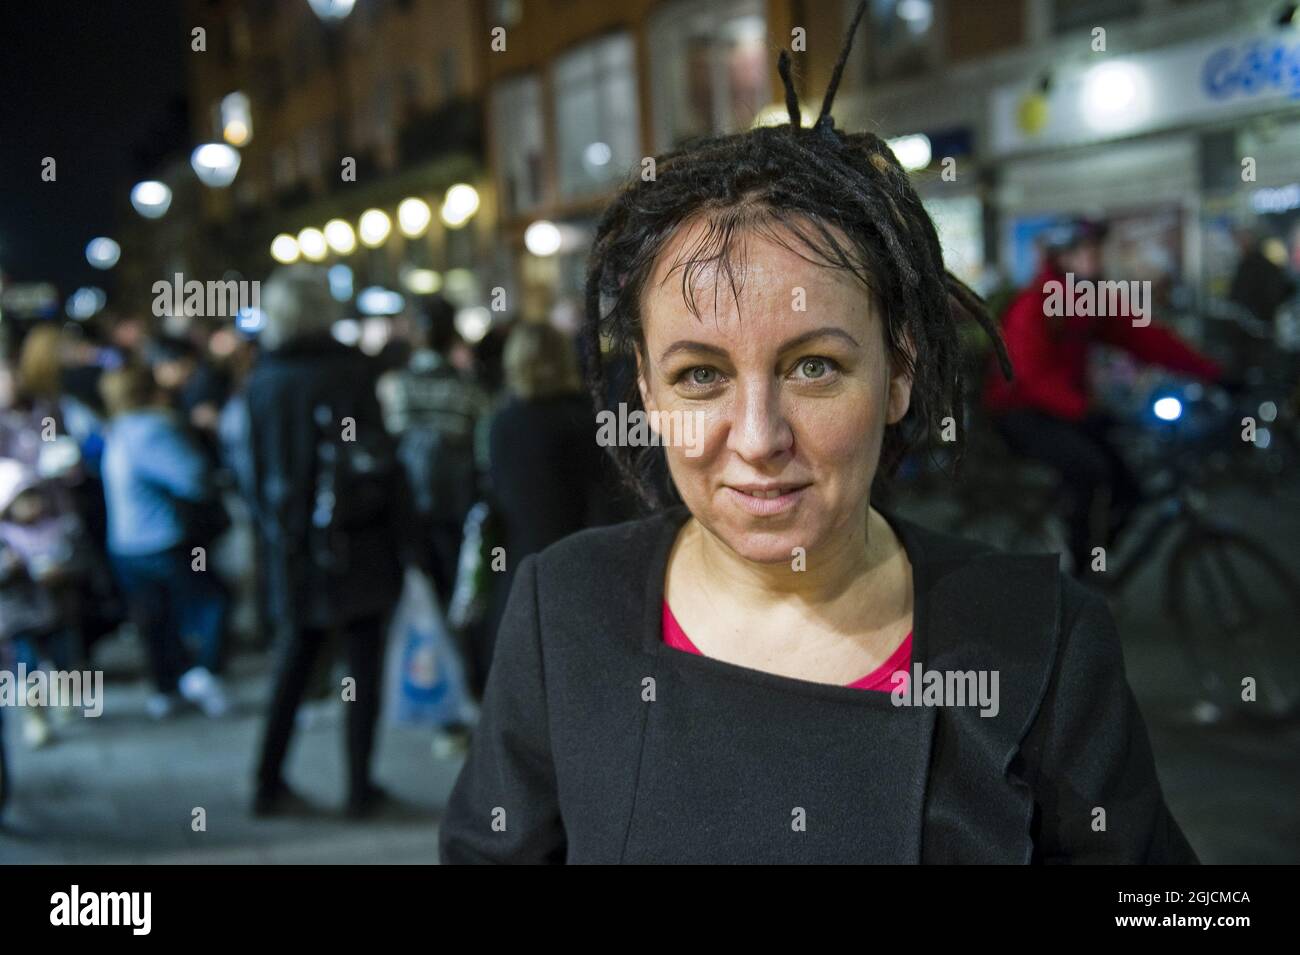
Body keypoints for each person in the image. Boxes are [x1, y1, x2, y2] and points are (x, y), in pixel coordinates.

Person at [438, 7, 1199, 864]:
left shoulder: (1041, 639)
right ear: (645, 392)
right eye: (701, 376)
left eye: (813, 368)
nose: (758, 438)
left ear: (899, 373)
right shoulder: (564, 614)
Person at [245, 265, 404, 819]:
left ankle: (267, 781)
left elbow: (253, 470)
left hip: (293, 545)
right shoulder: (348, 372)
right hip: (356, 540)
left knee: (295, 658)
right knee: (363, 661)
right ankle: (359, 785)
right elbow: (376, 459)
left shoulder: (262, 381)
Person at [983, 219, 1225, 575]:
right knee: (1089, 471)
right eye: (1082, 251)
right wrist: (1081, 410)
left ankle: (1098, 555)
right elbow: (1028, 374)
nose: (1092, 259)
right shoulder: (1034, 305)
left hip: (1069, 410)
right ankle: (1078, 576)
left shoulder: (1091, 301)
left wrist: (1214, 374)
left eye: (1096, 249)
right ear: (1060, 258)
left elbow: (1147, 339)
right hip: (1022, 412)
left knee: (1129, 481)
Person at [99, 364, 231, 720]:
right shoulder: (153, 429)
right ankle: (202, 672)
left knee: (155, 618)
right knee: (213, 599)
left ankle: (167, 687)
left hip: (127, 542)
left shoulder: (117, 431)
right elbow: (193, 478)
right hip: (163, 538)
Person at [377, 296, 487, 604]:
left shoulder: (393, 386)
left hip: (406, 508)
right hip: (457, 508)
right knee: (457, 590)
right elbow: (483, 451)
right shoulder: (469, 390)